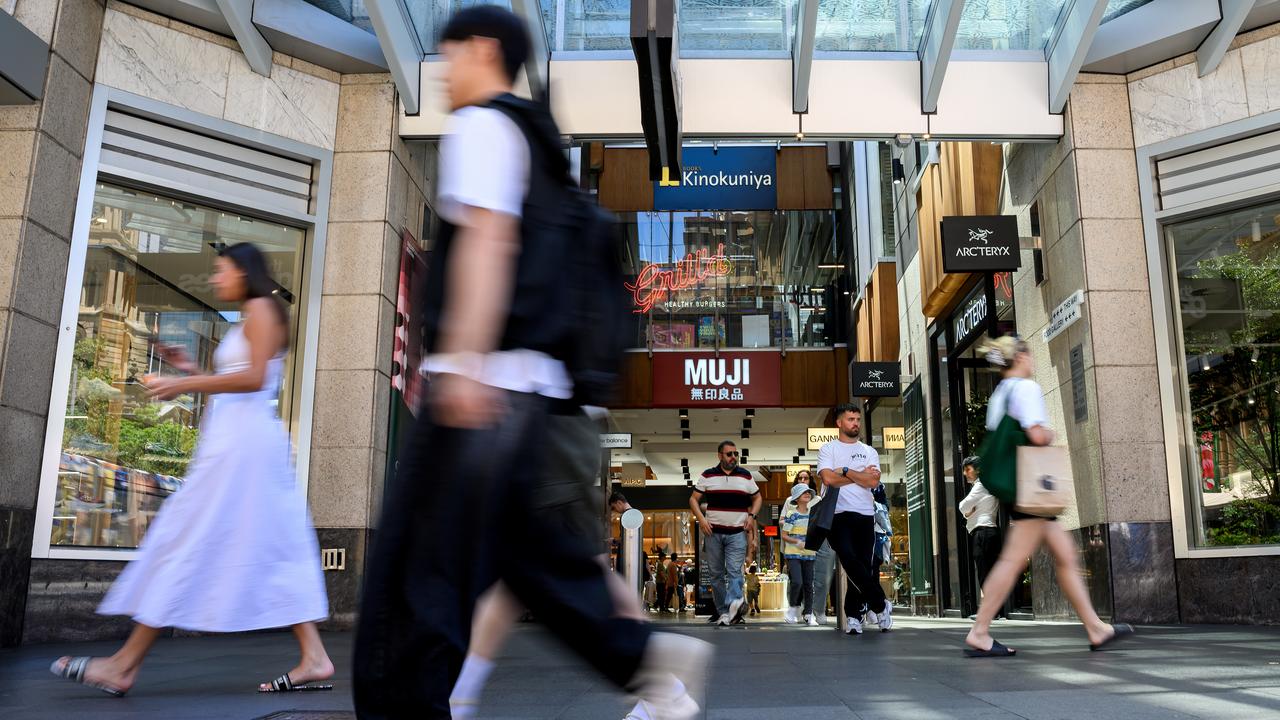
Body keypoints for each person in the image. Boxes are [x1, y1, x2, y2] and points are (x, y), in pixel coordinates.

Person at [352, 8, 710, 719]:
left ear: (484, 51)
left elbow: (488, 240)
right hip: (535, 395)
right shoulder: (541, 147)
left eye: (449, 55)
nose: (443, 71)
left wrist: (463, 365)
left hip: (488, 383)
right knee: (530, 559)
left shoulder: (484, 127)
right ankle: (642, 659)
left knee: (413, 580)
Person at [51, 243, 332, 696]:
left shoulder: (262, 308)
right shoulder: (253, 315)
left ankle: (124, 665)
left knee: (183, 539)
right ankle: (315, 656)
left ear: (244, 272)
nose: (216, 279)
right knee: (269, 542)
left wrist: (185, 381)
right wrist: (190, 367)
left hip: (242, 452)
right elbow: (240, 381)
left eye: (222, 271)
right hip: (241, 447)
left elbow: (255, 379)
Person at [964, 335, 1133, 658]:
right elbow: (1037, 435)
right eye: (1030, 354)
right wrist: (1051, 435)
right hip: (1032, 486)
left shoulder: (1000, 393)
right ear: (1023, 357)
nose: (1033, 360)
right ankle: (980, 631)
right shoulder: (1026, 388)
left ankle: (1096, 628)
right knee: (1015, 560)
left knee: (1065, 555)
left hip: (1022, 487)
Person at [817, 405, 894, 636]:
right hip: (837, 514)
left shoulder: (869, 451)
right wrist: (858, 475)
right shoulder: (828, 449)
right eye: (851, 419)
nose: (856, 423)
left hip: (865, 514)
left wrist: (846, 470)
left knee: (862, 565)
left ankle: (853, 616)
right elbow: (828, 479)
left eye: (858, 419)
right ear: (839, 423)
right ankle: (880, 605)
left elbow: (872, 483)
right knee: (849, 560)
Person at [690, 440, 762, 627]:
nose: (733, 457)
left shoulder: (745, 476)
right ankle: (723, 611)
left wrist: (752, 516)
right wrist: (702, 520)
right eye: (729, 454)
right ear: (720, 456)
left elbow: (758, 497)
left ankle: (734, 606)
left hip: (737, 533)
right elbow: (693, 499)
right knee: (715, 574)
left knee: (734, 572)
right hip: (713, 533)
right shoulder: (708, 475)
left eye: (735, 454)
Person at [958, 457, 1002, 599]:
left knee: (985, 572)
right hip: (987, 532)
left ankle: (991, 609)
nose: (965, 473)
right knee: (988, 571)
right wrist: (967, 514)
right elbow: (966, 511)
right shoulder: (986, 484)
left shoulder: (981, 485)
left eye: (968, 469)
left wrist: (967, 513)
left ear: (978, 469)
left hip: (983, 532)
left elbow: (963, 506)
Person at [780, 483, 819, 626]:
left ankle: (809, 613)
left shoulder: (814, 514)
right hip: (793, 554)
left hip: (809, 553)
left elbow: (816, 532)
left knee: (809, 584)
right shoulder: (791, 514)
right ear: (796, 497)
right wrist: (797, 541)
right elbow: (784, 535)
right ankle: (793, 608)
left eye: (809, 492)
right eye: (804, 493)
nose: (808, 494)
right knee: (797, 582)